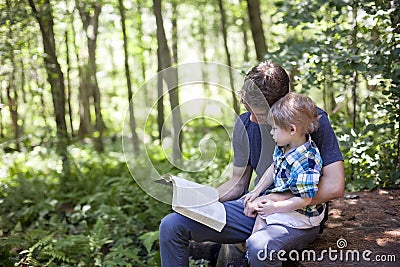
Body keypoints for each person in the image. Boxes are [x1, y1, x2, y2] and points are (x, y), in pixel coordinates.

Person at [159, 61, 344, 267]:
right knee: (172, 224)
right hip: (254, 209)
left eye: (261, 114)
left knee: (259, 247)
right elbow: (238, 183)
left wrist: (278, 200)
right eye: (248, 109)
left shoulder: (311, 120)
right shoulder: (246, 123)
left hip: (296, 216)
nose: (253, 119)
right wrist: (202, 200)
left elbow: (335, 186)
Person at [244, 92, 324, 266]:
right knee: (256, 231)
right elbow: (274, 167)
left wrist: (275, 207)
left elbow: (305, 199)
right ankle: (251, 256)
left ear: (292, 129)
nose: (271, 133)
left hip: (302, 217)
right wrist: (256, 191)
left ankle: (255, 254)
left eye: (274, 129)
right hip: (283, 204)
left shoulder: (307, 161)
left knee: (261, 239)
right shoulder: (284, 146)